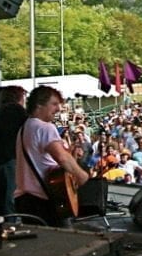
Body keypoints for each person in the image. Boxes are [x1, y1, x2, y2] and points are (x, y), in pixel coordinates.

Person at [14, 86, 90, 227]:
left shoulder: (24, 128)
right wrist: (81, 175)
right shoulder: (45, 127)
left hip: (25, 199)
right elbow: (61, 158)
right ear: (39, 105)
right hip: (44, 198)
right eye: (54, 104)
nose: (58, 109)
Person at [0, 85, 27, 220]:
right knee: (10, 198)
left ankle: (5, 225)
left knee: (3, 198)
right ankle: (10, 227)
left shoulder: (0, 111)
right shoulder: (15, 110)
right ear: (19, 97)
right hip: (9, 158)